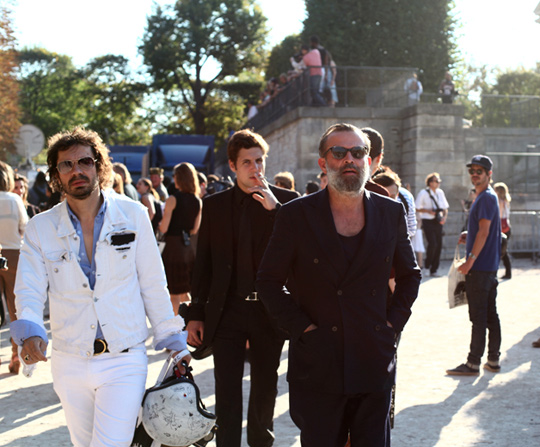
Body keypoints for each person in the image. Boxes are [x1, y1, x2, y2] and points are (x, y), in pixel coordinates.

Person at [10, 127, 191, 446]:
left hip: (125, 356)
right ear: (56, 175)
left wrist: (172, 339)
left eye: (85, 161)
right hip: (69, 359)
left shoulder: (133, 215)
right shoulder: (41, 227)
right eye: (66, 165)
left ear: (99, 165)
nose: (77, 170)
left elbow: (152, 281)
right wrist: (31, 330)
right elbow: (29, 287)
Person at [257, 123, 421, 447]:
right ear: (323, 162)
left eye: (358, 153)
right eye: (339, 152)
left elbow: (409, 275)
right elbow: (268, 281)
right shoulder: (295, 215)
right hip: (319, 362)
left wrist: (392, 325)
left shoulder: (391, 211)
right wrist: (302, 329)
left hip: (373, 357)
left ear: (369, 161)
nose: (350, 159)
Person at [185, 129, 299, 447]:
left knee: (265, 385)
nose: (256, 168)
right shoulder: (215, 206)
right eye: (247, 162)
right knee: (227, 388)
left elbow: (303, 252)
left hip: (270, 310)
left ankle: (261, 442)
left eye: (260, 161)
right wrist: (195, 314)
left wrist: (276, 212)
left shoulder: (288, 204)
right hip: (228, 309)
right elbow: (203, 264)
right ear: (233, 166)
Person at [447, 155, 502, 376]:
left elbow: (485, 231)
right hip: (488, 266)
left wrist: (470, 261)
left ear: (489, 174)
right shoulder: (486, 197)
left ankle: (472, 363)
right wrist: (469, 236)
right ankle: (493, 360)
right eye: (472, 171)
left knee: (478, 317)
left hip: (480, 268)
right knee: (490, 315)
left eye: (480, 171)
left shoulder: (486, 197)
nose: (475, 174)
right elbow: (482, 231)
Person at [159, 162, 202, 314]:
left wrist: (160, 224)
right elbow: (195, 229)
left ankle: (178, 326)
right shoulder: (197, 200)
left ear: (179, 178)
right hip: (188, 248)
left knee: (174, 293)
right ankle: (188, 323)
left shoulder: (173, 199)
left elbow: (164, 228)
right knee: (185, 290)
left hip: (173, 248)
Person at [0, 162, 28, 374]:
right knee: (14, 308)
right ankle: (15, 355)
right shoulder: (15, 199)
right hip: (12, 254)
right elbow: (24, 228)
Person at [415, 172, 449, 277]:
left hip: (438, 221)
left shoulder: (440, 192)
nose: (438, 183)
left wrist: (444, 218)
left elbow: (445, 208)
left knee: (438, 244)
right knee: (432, 243)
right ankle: (426, 266)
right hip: (427, 220)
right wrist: (428, 211)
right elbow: (416, 207)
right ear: (430, 183)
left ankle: (434, 269)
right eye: (436, 181)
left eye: (439, 181)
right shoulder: (423, 193)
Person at [494, 182, 512, 279]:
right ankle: (508, 271)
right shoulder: (506, 201)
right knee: (503, 251)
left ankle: (505, 272)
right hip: (507, 227)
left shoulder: (500, 202)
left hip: (501, 228)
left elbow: (499, 215)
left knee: (501, 252)